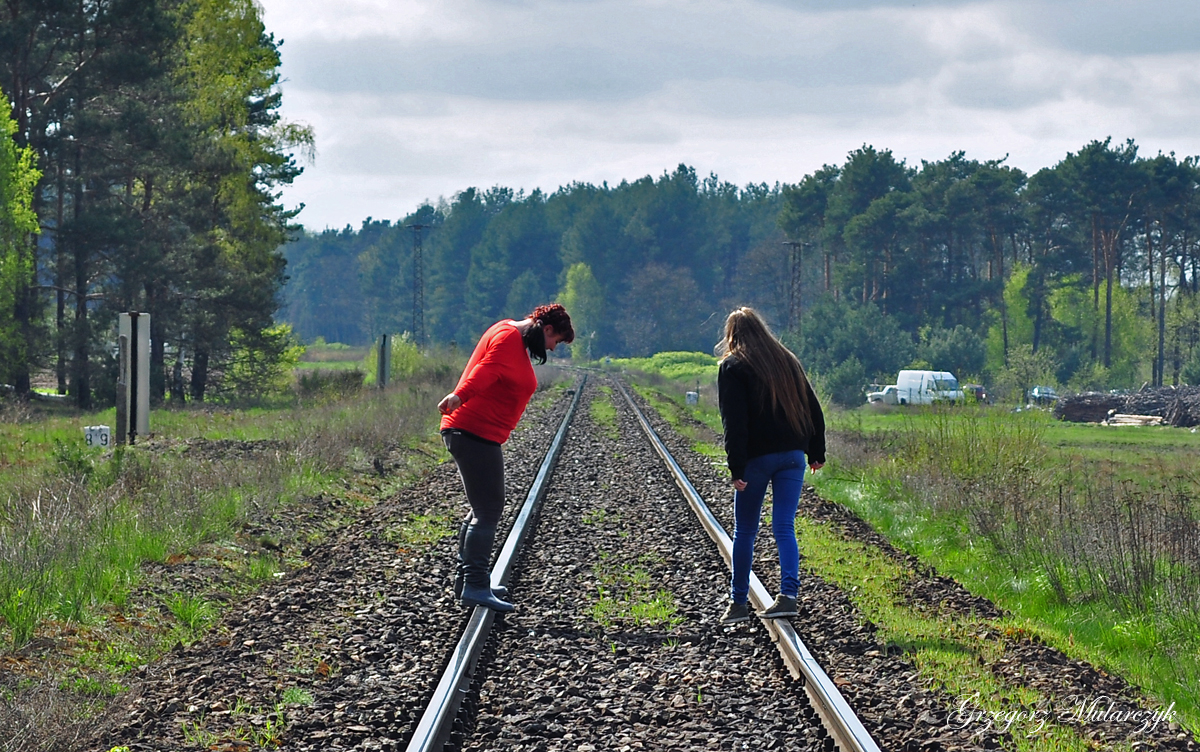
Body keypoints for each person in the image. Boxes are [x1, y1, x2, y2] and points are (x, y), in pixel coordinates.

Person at [438, 303, 574, 611]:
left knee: (481, 509)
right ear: (546, 328)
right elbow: (486, 371)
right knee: (488, 509)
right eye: (555, 341)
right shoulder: (508, 337)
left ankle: (469, 581)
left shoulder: (514, 337)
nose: (552, 348)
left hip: (477, 433)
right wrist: (459, 396)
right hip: (472, 432)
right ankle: (474, 585)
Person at [715, 307, 825, 624]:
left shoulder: (733, 366)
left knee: (746, 531)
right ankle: (788, 596)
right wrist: (817, 452)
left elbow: (734, 423)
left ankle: (738, 604)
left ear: (733, 334)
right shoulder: (787, 360)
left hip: (757, 460)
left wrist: (736, 468)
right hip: (792, 457)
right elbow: (813, 409)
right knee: (784, 527)